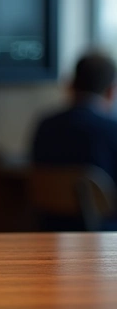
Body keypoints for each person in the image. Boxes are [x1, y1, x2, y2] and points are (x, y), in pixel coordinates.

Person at [30, 51, 117, 229]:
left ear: (71, 85)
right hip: (103, 235)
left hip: (49, 232)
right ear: (111, 91)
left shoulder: (46, 125)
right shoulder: (111, 129)